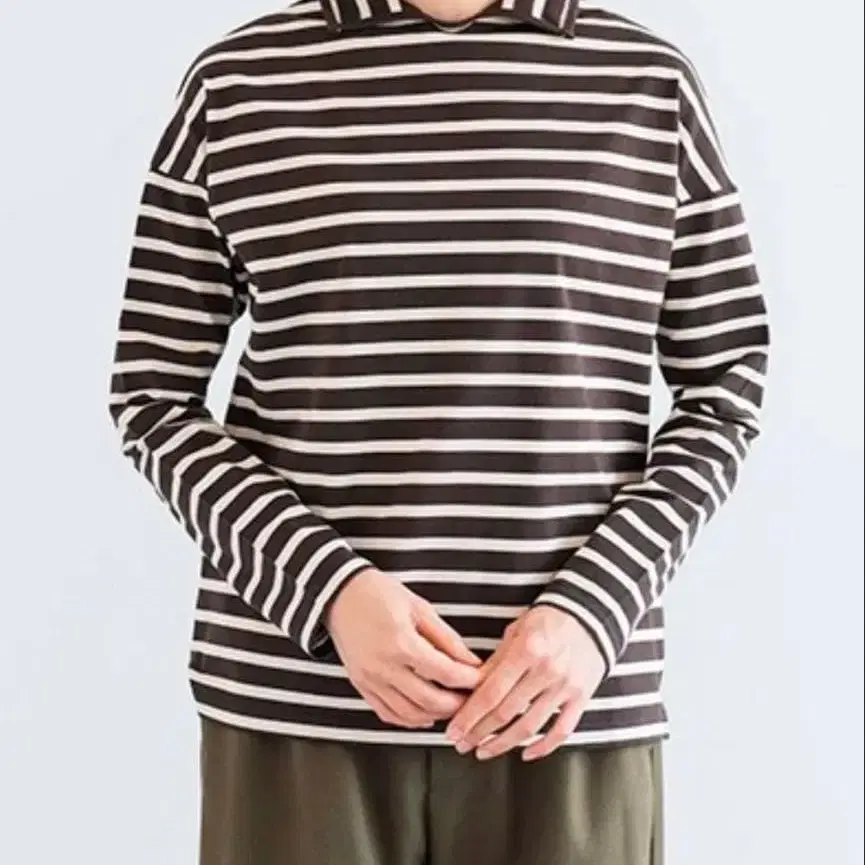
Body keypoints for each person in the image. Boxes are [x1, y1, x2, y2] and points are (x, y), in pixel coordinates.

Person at [107, 0, 769, 862]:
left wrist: (592, 607)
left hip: (563, 711)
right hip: (300, 708)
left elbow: (722, 388)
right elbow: (152, 393)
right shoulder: (239, 82)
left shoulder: (646, 83)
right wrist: (327, 589)